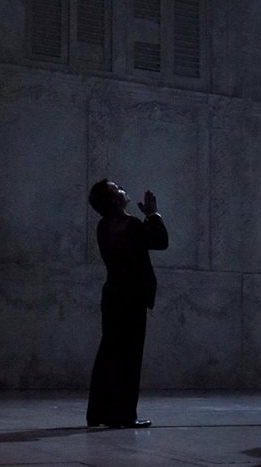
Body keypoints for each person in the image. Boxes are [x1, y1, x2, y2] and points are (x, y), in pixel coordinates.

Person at [86, 179, 168, 428]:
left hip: (112, 295)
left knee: (109, 354)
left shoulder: (103, 226)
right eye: (116, 189)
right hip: (132, 297)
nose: (122, 189)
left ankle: (98, 414)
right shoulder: (130, 225)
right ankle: (124, 415)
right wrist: (153, 213)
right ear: (113, 199)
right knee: (130, 358)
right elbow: (161, 241)